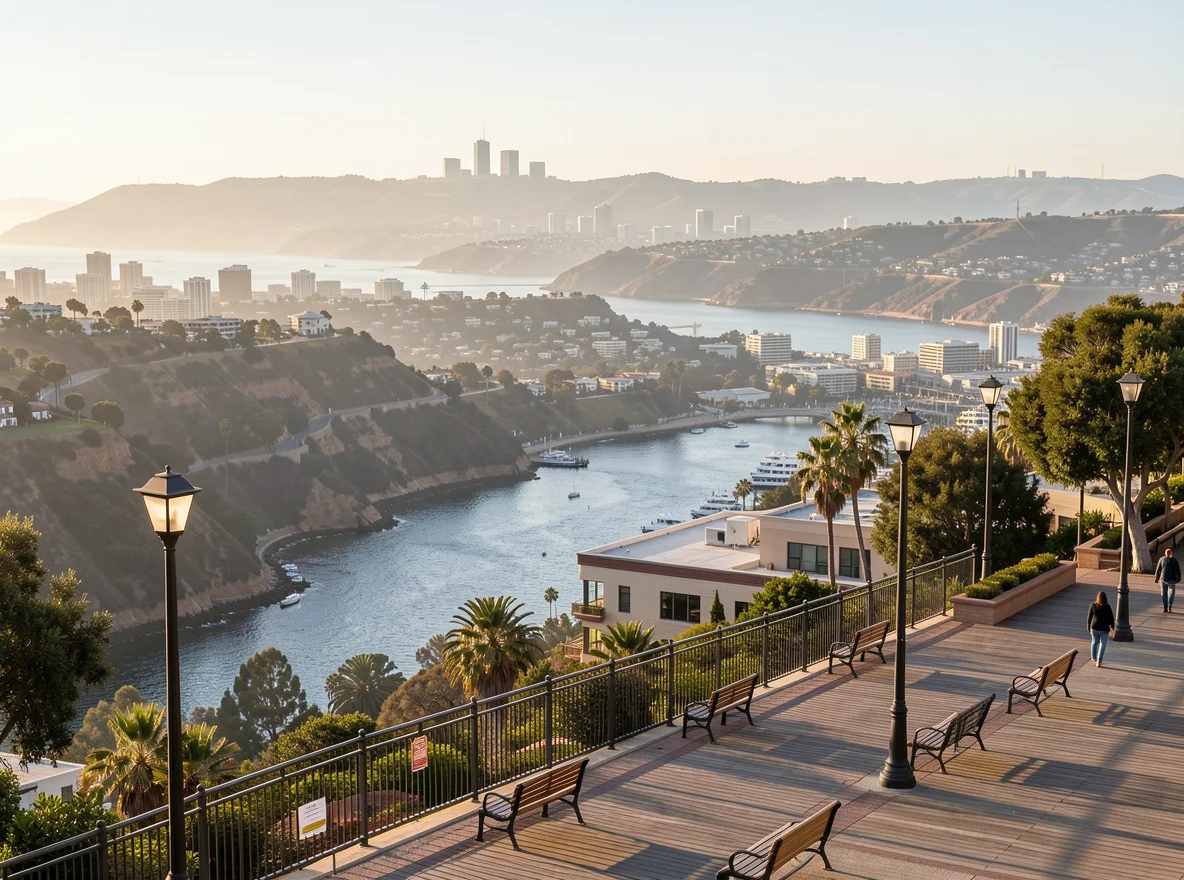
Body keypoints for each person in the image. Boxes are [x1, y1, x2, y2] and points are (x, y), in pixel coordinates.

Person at [1087, 591, 1115, 668]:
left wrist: (1088, 627)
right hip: (1104, 629)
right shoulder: (1107, 607)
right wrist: (1113, 627)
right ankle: (1099, 660)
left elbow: (1089, 617)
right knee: (1103, 645)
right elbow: (1111, 618)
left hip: (1095, 628)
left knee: (1094, 642)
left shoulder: (1093, 605)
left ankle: (1093, 657)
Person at [1154, 547, 1179, 613]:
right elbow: (1177, 571)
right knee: (1171, 594)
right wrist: (1178, 579)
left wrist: (1156, 578)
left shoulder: (1161, 559)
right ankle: (1169, 606)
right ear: (1171, 553)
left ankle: (1165, 608)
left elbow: (1158, 569)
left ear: (1165, 553)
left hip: (1163, 580)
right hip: (1172, 580)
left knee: (1164, 594)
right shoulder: (1174, 561)